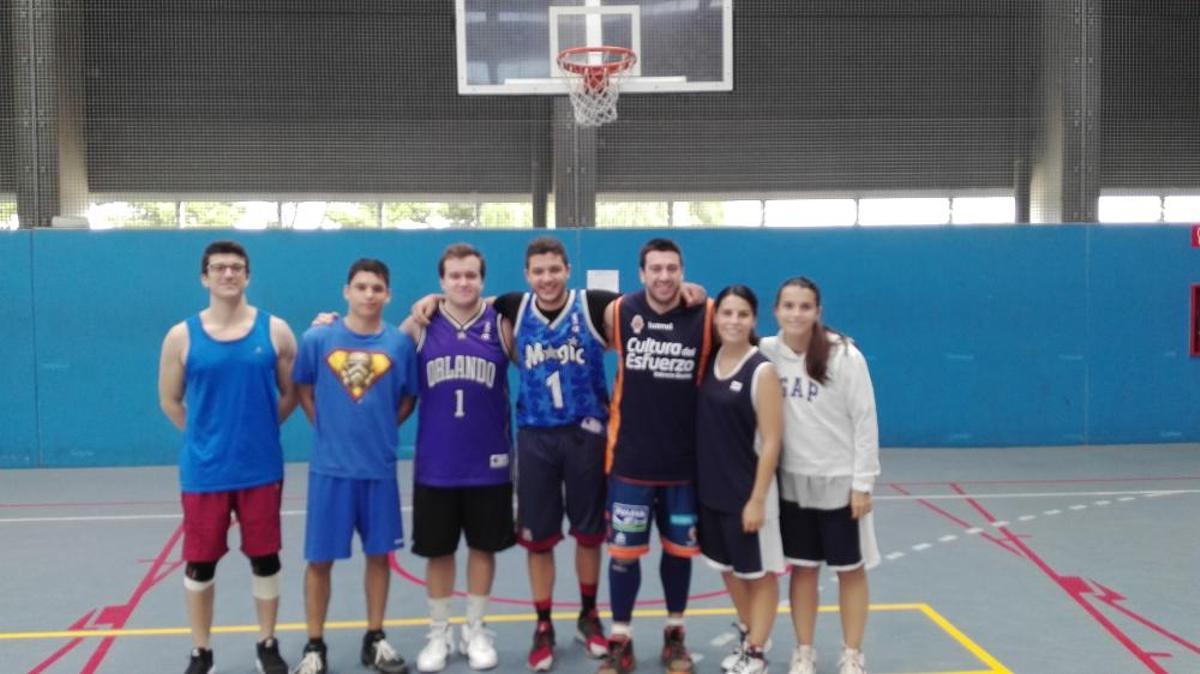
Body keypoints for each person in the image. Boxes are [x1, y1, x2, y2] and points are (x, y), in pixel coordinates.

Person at [407, 236, 707, 672]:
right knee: (540, 539)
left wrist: (687, 289)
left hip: (587, 436)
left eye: (554, 269)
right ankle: (543, 624)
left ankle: (588, 616)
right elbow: (465, 298)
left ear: (568, 270)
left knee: (589, 535)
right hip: (536, 439)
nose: (547, 278)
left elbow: (651, 301)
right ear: (527, 275)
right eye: (538, 271)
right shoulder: (512, 307)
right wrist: (432, 299)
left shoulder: (597, 306)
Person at [157, 240, 298, 674]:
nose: (228, 274)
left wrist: (258, 431)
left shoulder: (276, 331)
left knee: (265, 559)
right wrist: (206, 437)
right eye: (219, 267)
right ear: (205, 277)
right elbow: (170, 400)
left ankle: (267, 644)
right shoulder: (181, 336)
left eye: (236, 267)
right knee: (200, 564)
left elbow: (291, 393)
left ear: (247, 275)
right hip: (205, 472)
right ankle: (202, 652)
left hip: (260, 469)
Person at [290, 259, 417, 674]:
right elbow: (303, 388)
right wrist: (327, 427)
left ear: (388, 295)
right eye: (361, 286)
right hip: (330, 471)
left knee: (379, 557)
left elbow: (408, 399)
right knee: (319, 561)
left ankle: (375, 638)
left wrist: (382, 430)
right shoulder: (317, 338)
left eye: (377, 288)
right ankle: (314, 646)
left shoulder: (399, 344)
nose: (369, 294)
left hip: (378, 470)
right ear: (346, 291)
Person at [599, 237, 714, 674]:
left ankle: (675, 635)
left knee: (679, 554)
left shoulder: (706, 314)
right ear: (641, 273)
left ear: (682, 271)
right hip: (630, 463)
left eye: (672, 268)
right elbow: (548, 303)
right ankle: (620, 638)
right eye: (655, 269)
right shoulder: (619, 312)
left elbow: (746, 333)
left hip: (684, 465)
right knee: (623, 556)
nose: (664, 276)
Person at [758, 277, 881, 674]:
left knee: (850, 570)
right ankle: (804, 651)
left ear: (818, 312)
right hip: (793, 482)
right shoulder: (766, 352)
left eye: (805, 306)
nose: (796, 314)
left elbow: (865, 420)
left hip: (840, 482)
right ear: (776, 311)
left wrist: (863, 483)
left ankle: (852, 654)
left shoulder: (844, 356)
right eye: (789, 306)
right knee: (804, 568)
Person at [409, 243, 516, 673]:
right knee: (438, 552)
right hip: (436, 462)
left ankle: (475, 628)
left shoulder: (501, 324)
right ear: (442, 281)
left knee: (483, 548)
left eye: (471, 275)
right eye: (454, 276)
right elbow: (375, 346)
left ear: (482, 280)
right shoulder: (420, 324)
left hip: (489, 462)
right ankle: (439, 631)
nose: (463, 282)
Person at [695, 286, 784, 674]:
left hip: (746, 493)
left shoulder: (761, 370)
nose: (734, 321)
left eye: (742, 314)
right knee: (728, 569)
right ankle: (751, 635)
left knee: (758, 574)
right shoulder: (710, 361)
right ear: (715, 318)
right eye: (727, 313)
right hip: (711, 491)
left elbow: (773, 440)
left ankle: (757, 652)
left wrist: (757, 499)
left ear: (754, 320)